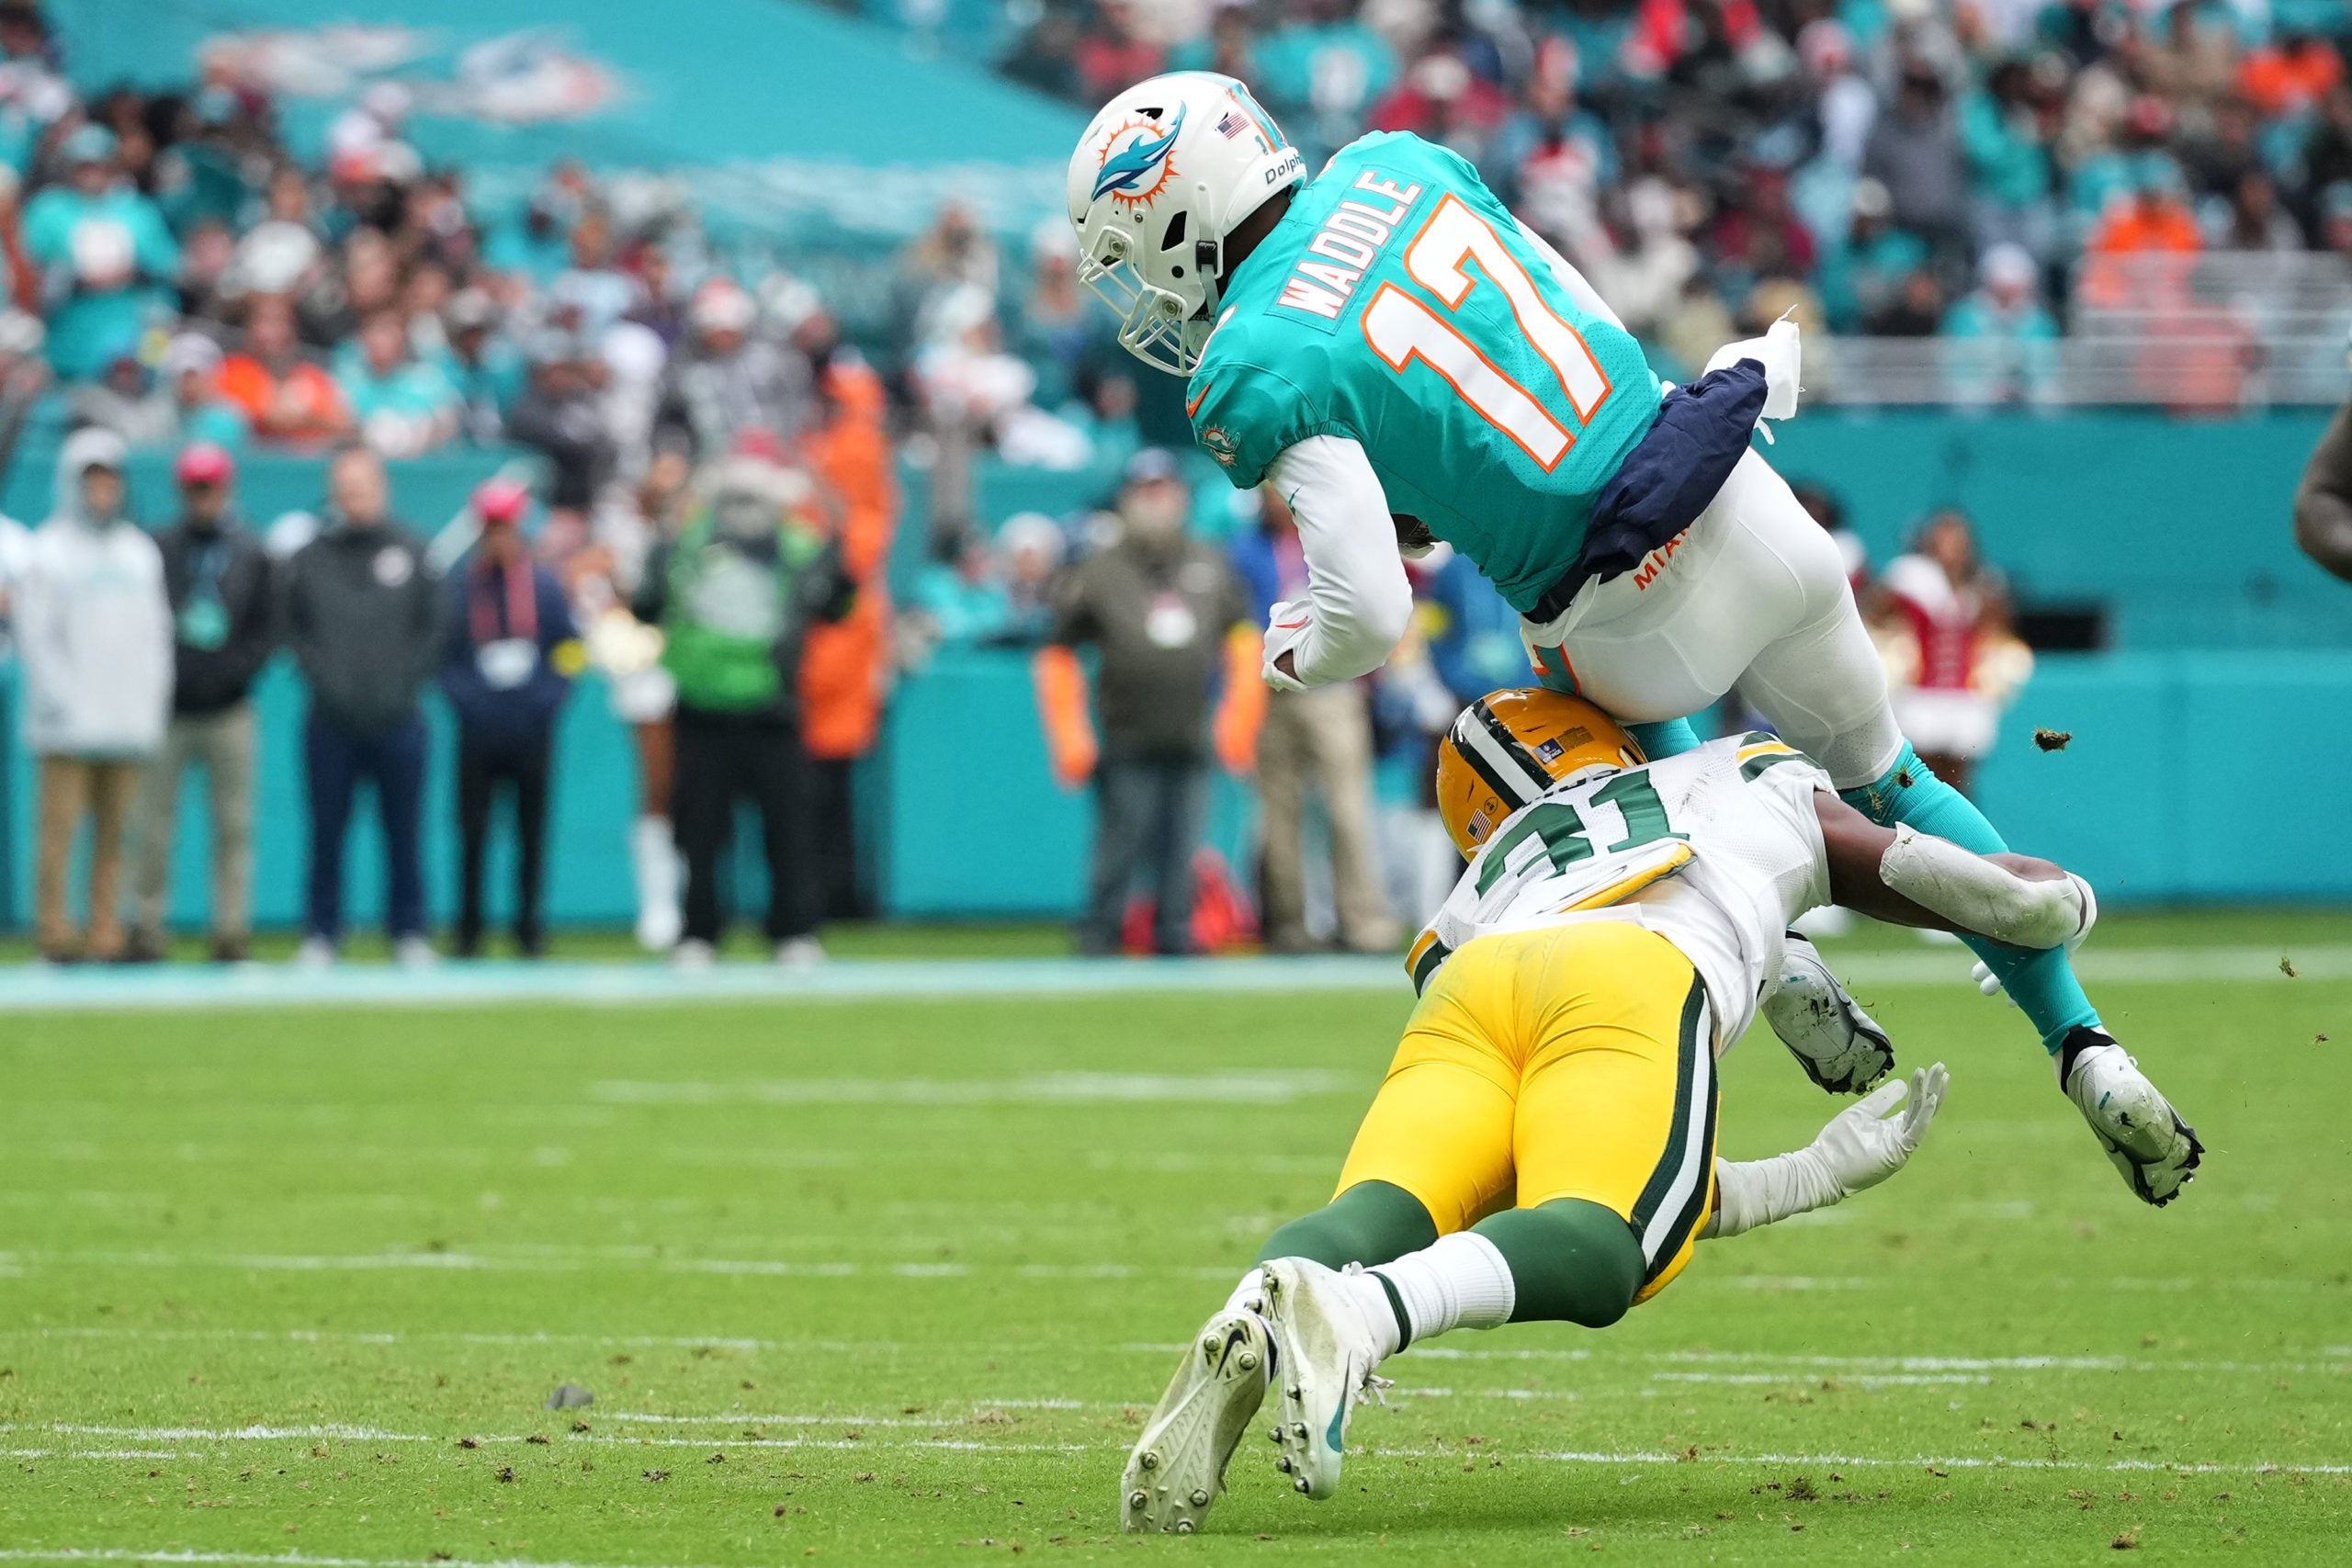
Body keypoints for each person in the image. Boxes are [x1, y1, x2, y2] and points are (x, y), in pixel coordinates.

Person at [1067, 71, 2197, 1204]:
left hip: (1608, 618)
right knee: (1890, 775)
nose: (1138, 288)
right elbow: (1571, 319)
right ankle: (2088, 1047)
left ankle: (1789, 961)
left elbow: (1368, 619)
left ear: (1181, 210)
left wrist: (1292, 644)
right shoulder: (1393, 163)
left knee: (1668, 814)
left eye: (1129, 246)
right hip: (1728, 490)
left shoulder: (1255, 361)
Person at [1119, 693, 2105, 1533]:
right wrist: (2057, 904)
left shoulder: (1473, 881)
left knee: (1383, 1211)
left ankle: (1274, 1296)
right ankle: (1360, 1312)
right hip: (1630, 964)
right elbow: (1943, 876)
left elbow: (1572, 1169)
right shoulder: (1736, 767)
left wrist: (1810, 1171)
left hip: (1469, 980)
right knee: (1601, 1255)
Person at [1034, 448, 1260, 956]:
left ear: (1181, 498)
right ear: (1126, 502)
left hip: (1190, 730)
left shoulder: (1209, 561)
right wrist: (1069, 733)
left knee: (1184, 843)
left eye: (1164, 492)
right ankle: (1102, 929)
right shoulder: (1099, 570)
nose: (1156, 503)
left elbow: (1244, 643)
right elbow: (1058, 651)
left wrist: (1238, 720)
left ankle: (1176, 930)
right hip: (1126, 731)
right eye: (1145, 493)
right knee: (1122, 838)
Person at [632, 452, 854, 966]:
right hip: (702, 708)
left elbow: (837, 604)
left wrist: (837, 550)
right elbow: (646, 604)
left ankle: (794, 930)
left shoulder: (796, 547)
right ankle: (700, 931)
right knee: (701, 831)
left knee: (789, 829)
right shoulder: (686, 546)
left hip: (772, 707)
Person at [283, 443, 444, 966]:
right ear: (333, 492)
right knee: (326, 831)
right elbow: (296, 630)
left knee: (405, 831)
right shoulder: (310, 559)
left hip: (399, 718)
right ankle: (322, 932)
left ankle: (409, 930)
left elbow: (435, 629)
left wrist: (402, 683)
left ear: (383, 488)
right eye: (347, 489)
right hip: (330, 720)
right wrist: (326, 681)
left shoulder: (413, 553)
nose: (356, 499)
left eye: (365, 487)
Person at [17, 428, 173, 962]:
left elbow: (156, 638)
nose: (102, 491)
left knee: (115, 836)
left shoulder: (138, 552)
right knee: (59, 833)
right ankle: (55, 932)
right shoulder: (49, 550)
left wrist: (151, 706)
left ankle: (105, 930)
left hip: (125, 718)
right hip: (68, 723)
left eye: (110, 480)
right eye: (92, 480)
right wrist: (61, 700)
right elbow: (36, 637)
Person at [1229, 480, 1395, 953]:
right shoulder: (1243, 550)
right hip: (1268, 690)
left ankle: (1363, 923)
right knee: (1277, 814)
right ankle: (1288, 924)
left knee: (1348, 809)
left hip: (1333, 687)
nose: (1276, 499)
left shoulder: (1331, 541)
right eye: (1268, 491)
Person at [127, 442, 276, 963]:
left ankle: (230, 933)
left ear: (227, 487)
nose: (203, 496)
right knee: (151, 825)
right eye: (195, 486)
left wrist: (229, 675)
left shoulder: (251, 551)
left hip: (230, 709)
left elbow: (265, 630)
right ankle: (146, 930)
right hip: (167, 709)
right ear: (181, 489)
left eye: (210, 486)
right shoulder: (157, 548)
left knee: (234, 826)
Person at [436, 479, 577, 958]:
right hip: (478, 732)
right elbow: (443, 659)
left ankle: (528, 927)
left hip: (532, 731)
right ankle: (469, 929)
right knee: (472, 833)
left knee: (531, 833)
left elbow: (571, 652)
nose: (499, 539)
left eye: (506, 528)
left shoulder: (544, 587)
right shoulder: (460, 588)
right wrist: (470, 704)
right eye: (491, 529)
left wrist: (547, 701)